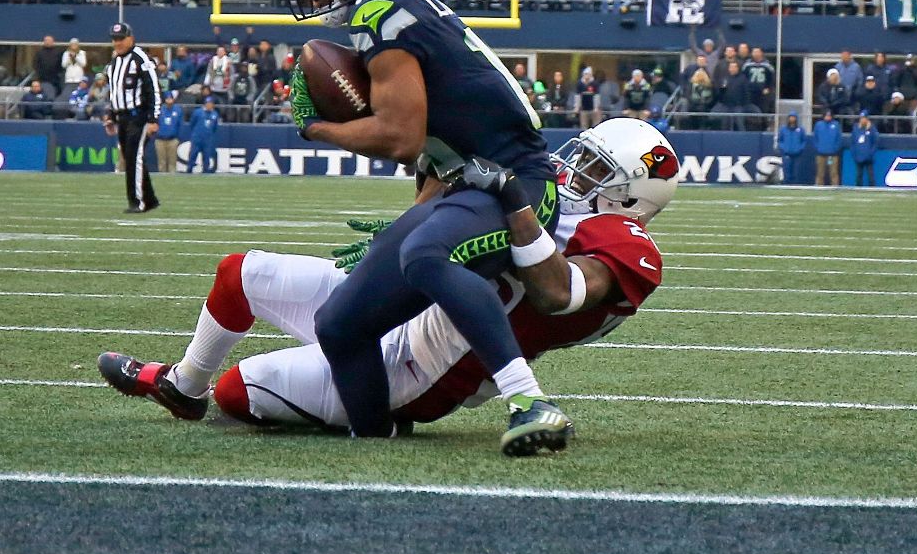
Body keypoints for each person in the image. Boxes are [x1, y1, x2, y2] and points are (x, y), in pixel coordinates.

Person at [98, 119, 678, 455]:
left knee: (239, 393)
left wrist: (513, 203)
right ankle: (181, 385)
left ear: (633, 194)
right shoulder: (549, 197)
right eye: (581, 156)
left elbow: (556, 292)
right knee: (240, 273)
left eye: (598, 169)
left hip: (423, 366)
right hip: (408, 299)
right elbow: (435, 221)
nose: (571, 170)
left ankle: (378, 415)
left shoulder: (627, 243)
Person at [281, 0, 565, 454]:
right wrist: (402, 228)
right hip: (466, 187)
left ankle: (531, 402)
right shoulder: (397, 9)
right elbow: (432, 155)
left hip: (518, 188)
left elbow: (400, 136)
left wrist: (316, 129)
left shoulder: (383, 7)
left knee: (427, 255)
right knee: (338, 323)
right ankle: (374, 435)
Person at [101, 22, 161, 213]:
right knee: (131, 158)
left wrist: (153, 119)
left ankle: (138, 202)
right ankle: (149, 199)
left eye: (121, 38)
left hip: (138, 117)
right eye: (114, 39)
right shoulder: (114, 63)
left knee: (134, 158)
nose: (117, 43)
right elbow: (114, 93)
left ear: (130, 38)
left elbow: (154, 89)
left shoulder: (140, 59)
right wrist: (111, 116)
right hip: (122, 118)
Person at [186, 96, 220, 173]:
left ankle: (205, 170)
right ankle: (189, 169)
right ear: (205, 104)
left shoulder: (214, 114)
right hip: (197, 137)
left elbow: (214, 127)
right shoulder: (198, 112)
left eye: (211, 103)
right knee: (193, 154)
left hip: (207, 138)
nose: (209, 105)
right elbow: (192, 123)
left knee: (207, 155)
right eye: (208, 103)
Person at [155, 92, 183, 173]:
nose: (169, 101)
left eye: (170, 99)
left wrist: (178, 138)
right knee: (161, 162)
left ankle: (172, 179)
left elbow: (180, 125)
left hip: (172, 139)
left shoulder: (178, 110)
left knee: (172, 162)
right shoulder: (160, 110)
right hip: (160, 139)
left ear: (173, 100)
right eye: (167, 99)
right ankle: (162, 178)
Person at [813, 110, 842, 186]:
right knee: (820, 173)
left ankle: (835, 188)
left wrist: (835, 149)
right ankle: (818, 188)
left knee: (833, 173)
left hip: (832, 155)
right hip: (821, 154)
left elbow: (839, 139)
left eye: (829, 115)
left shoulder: (836, 125)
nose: (828, 117)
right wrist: (818, 148)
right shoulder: (818, 125)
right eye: (826, 115)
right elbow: (815, 138)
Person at [777, 111, 807, 183]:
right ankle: (786, 185)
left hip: (797, 154)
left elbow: (804, 141)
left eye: (793, 117)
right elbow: (780, 140)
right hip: (786, 154)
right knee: (787, 172)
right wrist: (784, 148)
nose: (792, 119)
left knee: (796, 172)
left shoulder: (801, 130)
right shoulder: (783, 129)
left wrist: (800, 149)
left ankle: (795, 186)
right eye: (791, 117)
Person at [851, 111, 879, 187]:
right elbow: (853, 142)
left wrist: (870, 153)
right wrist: (854, 154)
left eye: (864, 118)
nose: (862, 120)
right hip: (859, 155)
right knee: (858, 175)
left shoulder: (872, 129)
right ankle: (858, 189)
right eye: (861, 118)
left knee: (870, 175)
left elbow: (875, 143)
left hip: (868, 156)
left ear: (867, 119)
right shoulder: (856, 128)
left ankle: (872, 188)